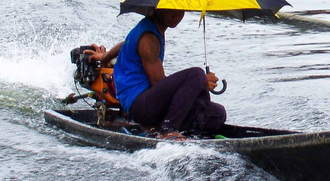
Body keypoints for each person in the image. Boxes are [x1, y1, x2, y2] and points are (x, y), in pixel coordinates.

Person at [84, 9, 226, 138]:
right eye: (171, 10)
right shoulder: (149, 38)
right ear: (157, 9)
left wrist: (104, 57)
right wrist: (200, 81)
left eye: (181, 11)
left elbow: (124, 44)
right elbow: (158, 83)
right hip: (139, 105)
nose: (177, 15)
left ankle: (163, 128)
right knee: (196, 74)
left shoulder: (151, 28)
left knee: (217, 114)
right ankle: (168, 130)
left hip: (147, 102)